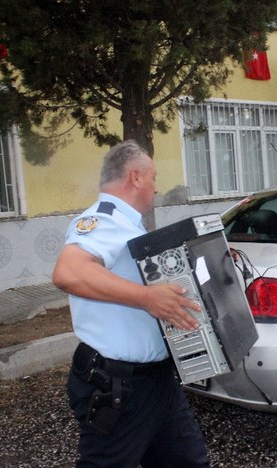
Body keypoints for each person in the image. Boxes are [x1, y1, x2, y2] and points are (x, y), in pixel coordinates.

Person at [52, 140, 210, 467]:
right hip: (120, 385)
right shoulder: (104, 220)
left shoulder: (127, 225)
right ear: (136, 177)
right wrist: (148, 298)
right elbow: (69, 271)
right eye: (153, 178)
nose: (156, 188)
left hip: (157, 382)